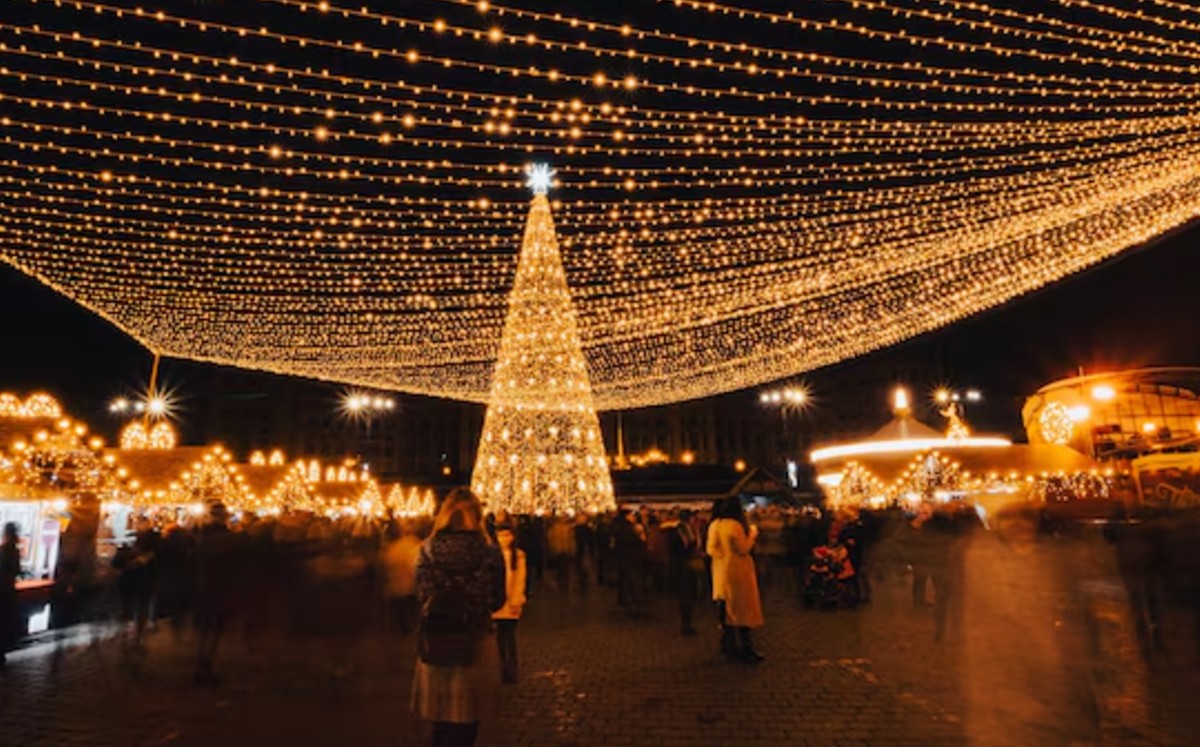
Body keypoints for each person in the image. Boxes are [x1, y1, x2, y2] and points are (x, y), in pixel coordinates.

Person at [411, 489, 505, 747]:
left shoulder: (427, 549)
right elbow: (498, 598)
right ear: (478, 516)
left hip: (436, 637)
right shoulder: (489, 552)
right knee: (469, 713)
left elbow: (421, 593)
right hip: (476, 640)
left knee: (440, 716)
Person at [707, 496, 765, 662]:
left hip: (720, 573)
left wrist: (722, 556)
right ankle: (746, 649)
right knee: (742, 611)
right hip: (737, 572)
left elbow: (710, 549)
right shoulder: (734, 526)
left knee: (726, 612)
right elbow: (743, 548)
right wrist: (752, 534)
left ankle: (728, 647)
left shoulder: (715, 525)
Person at [491, 522, 527, 684]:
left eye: (507, 535)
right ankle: (501, 669)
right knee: (498, 639)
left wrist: (516, 600)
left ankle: (511, 670)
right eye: (501, 535)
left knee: (510, 638)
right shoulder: (492, 555)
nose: (504, 539)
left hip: (511, 602)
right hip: (497, 603)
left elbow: (520, 580)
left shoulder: (518, 555)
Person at [665, 509, 703, 636]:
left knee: (686, 596)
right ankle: (686, 625)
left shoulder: (677, 529)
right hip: (684, 566)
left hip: (680, 566)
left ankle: (686, 622)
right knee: (686, 596)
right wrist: (697, 533)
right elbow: (689, 547)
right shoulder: (684, 531)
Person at [1, 522, 21, 669]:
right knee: (6, 623)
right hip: (10, 592)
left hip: (2, 592)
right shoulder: (15, 550)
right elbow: (17, 570)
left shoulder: (2, 550)